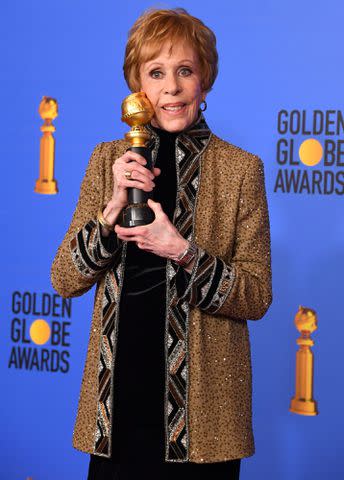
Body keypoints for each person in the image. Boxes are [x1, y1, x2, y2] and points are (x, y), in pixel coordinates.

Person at [51, 7, 272, 480]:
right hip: (116, 410)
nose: (171, 87)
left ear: (204, 82)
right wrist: (108, 214)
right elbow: (64, 279)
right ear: (138, 87)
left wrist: (181, 249)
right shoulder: (107, 159)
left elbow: (256, 296)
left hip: (204, 425)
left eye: (185, 71)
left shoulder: (240, 170)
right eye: (156, 72)